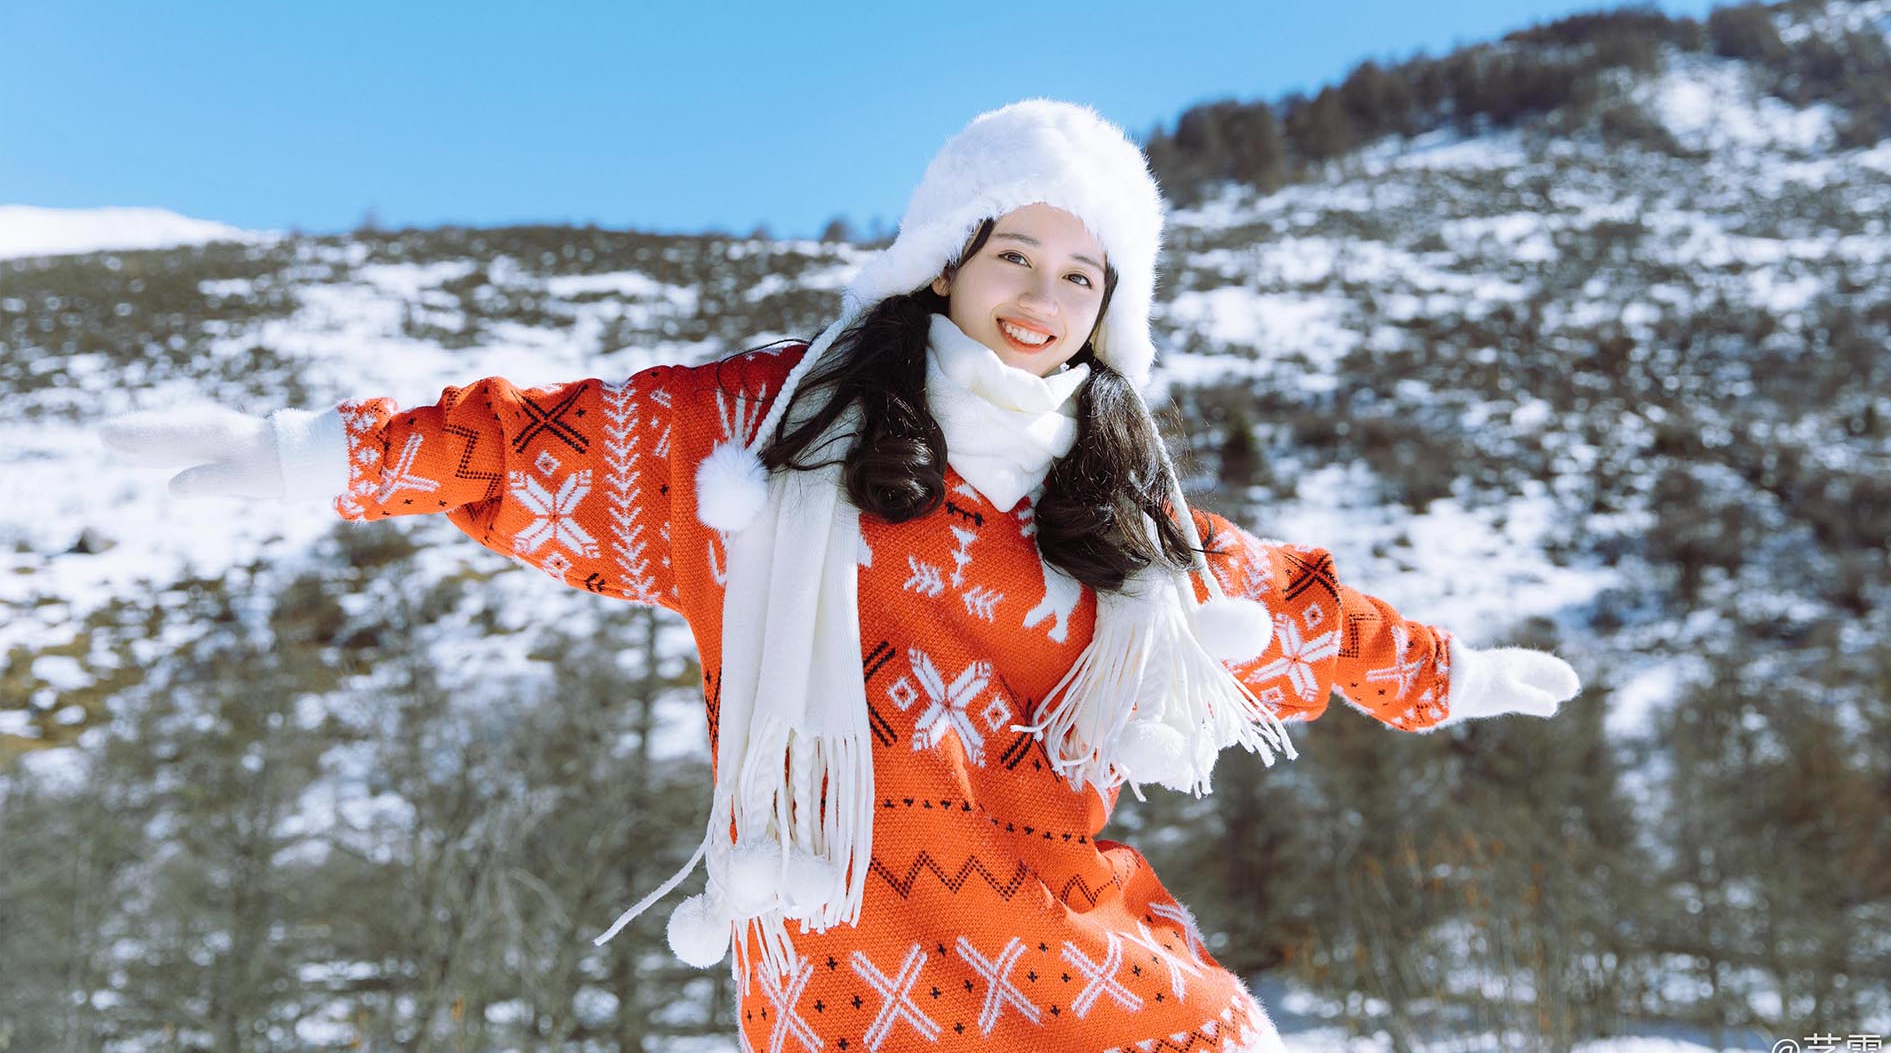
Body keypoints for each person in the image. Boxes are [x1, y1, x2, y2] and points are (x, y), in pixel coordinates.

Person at [101, 99, 1581, 1052]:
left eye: (1084, 278)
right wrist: (313, 454)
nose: (1043, 301)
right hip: (846, 964)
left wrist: (1447, 673)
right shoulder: (772, 433)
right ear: (946, 258)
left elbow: (1292, 612)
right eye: (1018, 255)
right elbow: (528, 446)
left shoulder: (1123, 511)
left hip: (1085, 957)